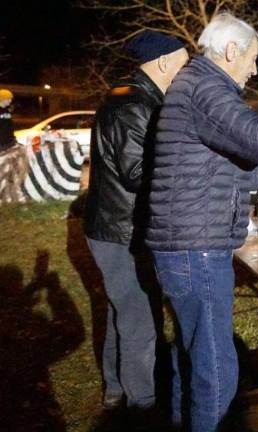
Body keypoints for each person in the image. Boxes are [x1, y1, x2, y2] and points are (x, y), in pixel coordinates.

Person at [145, 13, 258, 431]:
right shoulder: (207, 88)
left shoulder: (195, 87)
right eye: (252, 58)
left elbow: (237, 171)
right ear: (231, 51)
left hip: (186, 246)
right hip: (196, 249)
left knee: (191, 354)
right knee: (215, 367)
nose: (254, 68)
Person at [83, 30, 189, 415]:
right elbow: (136, 172)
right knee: (140, 316)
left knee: (121, 309)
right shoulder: (133, 104)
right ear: (164, 62)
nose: (185, 70)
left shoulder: (134, 96)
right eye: (182, 62)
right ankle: (142, 404)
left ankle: (116, 388)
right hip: (120, 231)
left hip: (115, 226)